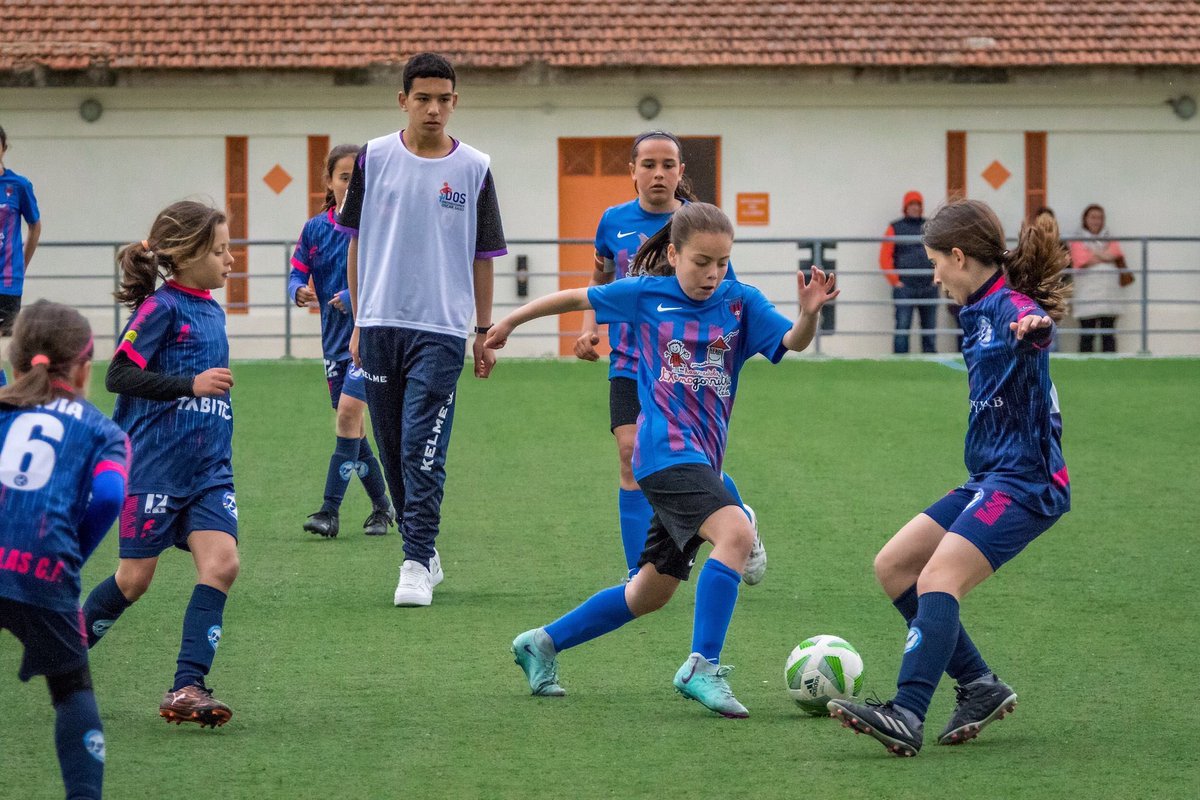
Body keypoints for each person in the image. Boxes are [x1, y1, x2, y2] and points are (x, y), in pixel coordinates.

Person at [487, 202, 839, 718]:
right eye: (701, 262)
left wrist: (809, 313)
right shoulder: (647, 294)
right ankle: (703, 665)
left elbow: (792, 343)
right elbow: (576, 296)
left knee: (649, 593)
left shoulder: (742, 303)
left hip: (702, 461)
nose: (712, 274)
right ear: (673, 254)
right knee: (737, 533)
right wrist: (512, 320)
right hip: (663, 453)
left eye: (721, 262)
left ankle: (541, 643)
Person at [828, 199, 1071, 757]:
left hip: (1027, 483)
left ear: (959, 258)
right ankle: (981, 685)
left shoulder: (1010, 308)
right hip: (989, 476)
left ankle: (907, 712)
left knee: (939, 578)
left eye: (936, 261)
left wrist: (1034, 330)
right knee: (894, 566)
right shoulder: (976, 307)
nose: (933, 274)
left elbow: (1033, 332)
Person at [339, 52, 507, 607]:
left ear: (455, 102)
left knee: (421, 445)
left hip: (440, 328)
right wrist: (360, 319)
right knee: (390, 446)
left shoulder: (476, 168)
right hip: (381, 324)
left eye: (444, 99)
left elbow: (484, 255)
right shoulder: (374, 158)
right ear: (403, 100)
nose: (434, 109)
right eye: (423, 98)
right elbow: (356, 241)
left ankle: (414, 561)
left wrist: (483, 330)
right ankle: (424, 548)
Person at [575, 130, 765, 584]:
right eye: (648, 164)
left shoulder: (699, 225)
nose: (658, 173)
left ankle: (739, 519)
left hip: (683, 368)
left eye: (668, 165)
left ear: (681, 172)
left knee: (696, 462)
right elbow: (600, 275)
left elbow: (729, 295)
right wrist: (588, 327)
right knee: (629, 455)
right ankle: (635, 571)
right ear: (633, 172)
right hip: (629, 360)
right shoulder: (612, 221)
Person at [81, 201, 240, 728]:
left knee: (222, 565)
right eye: (218, 251)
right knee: (133, 580)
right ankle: (64, 649)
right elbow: (119, 376)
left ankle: (186, 687)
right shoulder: (160, 308)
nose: (230, 260)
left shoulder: (212, 309)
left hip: (209, 472)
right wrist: (188, 386)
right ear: (186, 254)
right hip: (152, 469)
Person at [1, 301, 127, 800]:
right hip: (43, 565)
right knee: (72, 690)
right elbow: (112, 495)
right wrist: (72, 553)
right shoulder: (103, 430)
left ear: (15, 362)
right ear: (84, 366)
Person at [289, 144, 393, 538]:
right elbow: (297, 271)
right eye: (344, 177)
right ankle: (382, 508)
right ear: (329, 182)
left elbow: (385, 277)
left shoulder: (380, 227)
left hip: (370, 338)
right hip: (333, 341)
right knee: (354, 429)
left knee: (349, 413)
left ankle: (329, 512)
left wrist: (352, 298)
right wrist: (297, 289)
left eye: (358, 178)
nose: (351, 185)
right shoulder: (315, 229)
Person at [880, 190, 938, 354]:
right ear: (905, 207)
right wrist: (895, 281)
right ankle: (899, 361)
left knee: (929, 329)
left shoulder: (930, 227)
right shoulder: (894, 228)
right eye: (911, 205)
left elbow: (941, 253)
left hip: (928, 286)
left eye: (918, 205)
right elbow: (884, 257)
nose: (915, 208)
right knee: (902, 327)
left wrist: (936, 278)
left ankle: (931, 361)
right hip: (905, 287)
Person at [1070, 203, 1132, 353]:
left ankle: (1110, 368)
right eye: (1092, 217)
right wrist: (1104, 255)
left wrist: (1093, 253)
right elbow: (1081, 260)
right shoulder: (1076, 239)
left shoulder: (1110, 237)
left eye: (1099, 217)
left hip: (1109, 294)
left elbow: (1116, 254)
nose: (1096, 221)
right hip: (1086, 294)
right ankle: (1085, 369)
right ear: (1085, 219)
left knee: (1108, 334)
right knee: (1087, 334)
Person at [0, 125, 43, 338]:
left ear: (4, 148)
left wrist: (22, 263)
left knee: (5, 348)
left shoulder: (18, 185)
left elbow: (35, 225)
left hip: (8, 280)